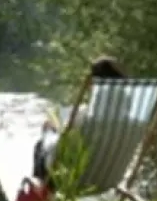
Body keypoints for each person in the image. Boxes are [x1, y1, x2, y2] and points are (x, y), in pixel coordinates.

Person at [32, 55, 130, 191]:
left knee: (42, 142)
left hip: (73, 176)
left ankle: (41, 197)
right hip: (109, 177)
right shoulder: (129, 119)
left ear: (93, 84)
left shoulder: (87, 116)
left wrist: (50, 129)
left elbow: (63, 133)